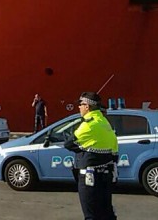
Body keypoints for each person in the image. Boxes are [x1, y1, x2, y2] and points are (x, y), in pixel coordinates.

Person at [65, 92, 118, 220]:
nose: (79, 107)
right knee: (106, 212)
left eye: (81, 104)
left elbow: (68, 143)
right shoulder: (104, 122)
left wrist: (82, 150)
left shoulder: (89, 124)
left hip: (89, 177)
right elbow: (114, 149)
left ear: (87, 106)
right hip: (105, 175)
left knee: (91, 215)